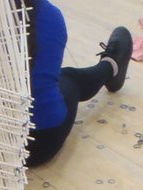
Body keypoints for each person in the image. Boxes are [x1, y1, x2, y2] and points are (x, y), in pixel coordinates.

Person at [23, 0, 133, 167]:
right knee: (68, 77)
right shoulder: (49, 15)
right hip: (37, 144)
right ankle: (111, 65)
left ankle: (111, 66)